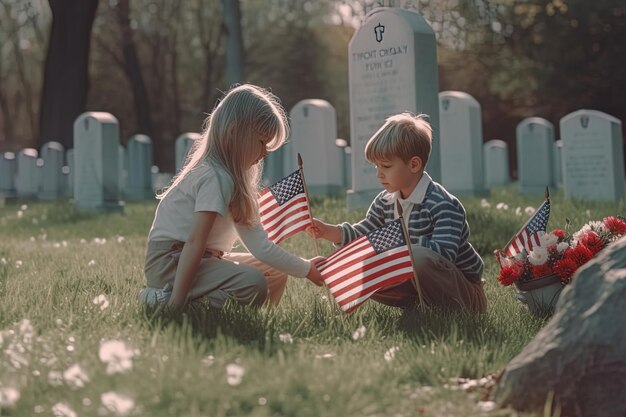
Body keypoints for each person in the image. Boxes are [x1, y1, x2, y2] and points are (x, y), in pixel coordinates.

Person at [139, 84, 324, 310]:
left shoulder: (232, 180)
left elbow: (260, 247)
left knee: (274, 272)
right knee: (252, 283)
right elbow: (195, 242)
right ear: (235, 132)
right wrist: (177, 301)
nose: (265, 152)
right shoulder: (214, 176)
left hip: (201, 259)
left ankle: (253, 320)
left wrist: (305, 268)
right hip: (171, 262)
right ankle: (167, 302)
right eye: (261, 142)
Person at [310, 113, 486, 313]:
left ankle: (450, 310)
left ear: (414, 165)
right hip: (414, 286)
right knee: (365, 257)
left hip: (463, 292)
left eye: (386, 166)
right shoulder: (385, 201)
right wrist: (328, 231)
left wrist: (397, 243)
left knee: (418, 257)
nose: (379, 174)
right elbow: (366, 235)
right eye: (376, 166)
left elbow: (444, 255)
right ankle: (417, 307)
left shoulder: (443, 204)